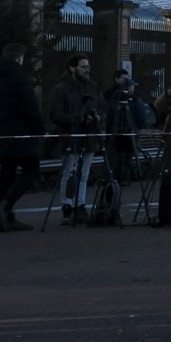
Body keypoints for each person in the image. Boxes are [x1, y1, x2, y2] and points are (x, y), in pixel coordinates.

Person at [0, 45, 42, 232]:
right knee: (31, 171)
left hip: (0, 135)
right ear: (19, 58)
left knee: (7, 172)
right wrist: (39, 130)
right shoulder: (21, 78)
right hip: (21, 135)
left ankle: (7, 217)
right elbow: (31, 107)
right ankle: (5, 206)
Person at [50, 54, 103, 225]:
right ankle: (67, 205)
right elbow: (55, 115)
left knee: (84, 173)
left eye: (88, 66)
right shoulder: (62, 89)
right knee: (69, 171)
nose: (87, 70)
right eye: (83, 66)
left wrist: (97, 117)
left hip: (89, 135)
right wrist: (78, 118)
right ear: (72, 68)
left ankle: (81, 205)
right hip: (71, 135)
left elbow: (101, 107)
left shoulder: (92, 87)